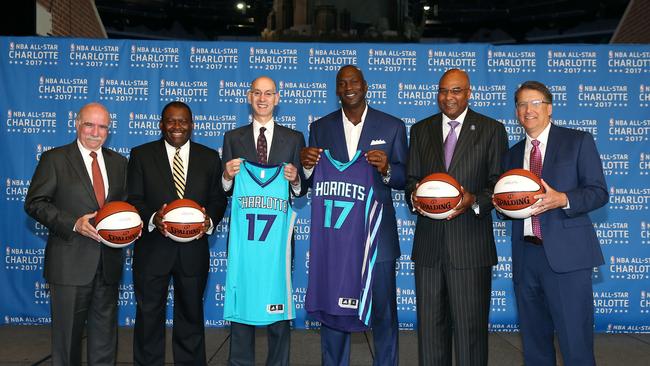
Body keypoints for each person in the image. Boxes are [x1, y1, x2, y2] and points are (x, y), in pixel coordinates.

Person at [301, 65, 408, 366]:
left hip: (378, 239)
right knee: (334, 313)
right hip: (336, 238)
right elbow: (312, 181)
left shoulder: (392, 126)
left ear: (365, 86)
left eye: (354, 82)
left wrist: (387, 169)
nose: (349, 87)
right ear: (336, 90)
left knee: (384, 313)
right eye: (342, 83)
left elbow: (405, 177)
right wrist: (307, 167)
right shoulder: (320, 128)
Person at [405, 68, 508, 365]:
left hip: (470, 248)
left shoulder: (491, 129)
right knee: (430, 333)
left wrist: (473, 200)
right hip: (428, 248)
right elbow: (412, 180)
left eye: (456, 91)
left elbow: (498, 186)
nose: (448, 97)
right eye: (443, 91)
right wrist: (415, 197)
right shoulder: (421, 130)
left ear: (469, 92)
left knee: (470, 334)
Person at [500, 81, 607, 365]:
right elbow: (506, 206)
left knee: (575, 344)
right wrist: (500, 205)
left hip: (567, 259)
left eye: (535, 103)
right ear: (516, 112)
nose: (528, 110)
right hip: (526, 256)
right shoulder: (511, 154)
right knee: (534, 346)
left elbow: (598, 192)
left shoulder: (577, 141)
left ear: (549, 108)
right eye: (522, 104)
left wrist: (563, 199)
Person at [24, 102, 128, 365]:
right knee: (67, 342)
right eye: (89, 124)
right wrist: (73, 223)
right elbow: (35, 203)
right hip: (69, 265)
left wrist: (131, 226)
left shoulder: (119, 162)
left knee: (105, 341)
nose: (95, 132)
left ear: (109, 130)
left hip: (109, 263)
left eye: (102, 126)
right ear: (76, 124)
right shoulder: (55, 159)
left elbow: (125, 207)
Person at [128, 101, 227, 366]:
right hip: (152, 249)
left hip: (193, 251)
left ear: (192, 125)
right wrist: (152, 218)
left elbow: (218, 200)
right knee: (149, 317)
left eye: (183, 121)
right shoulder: (141, 154)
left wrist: (208, 222)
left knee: (191, 317)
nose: (177, 127)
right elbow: (134, 197)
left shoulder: (209, 157)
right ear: (161, 124)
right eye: (170, 121)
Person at [221, 76, 307, 366]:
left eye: (268, 93)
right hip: (245, 240)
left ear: (277, 98)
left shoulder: (294, 138)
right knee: (243, 302)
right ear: (249, 96)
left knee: (278, 307)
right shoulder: (233, 138)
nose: (262, 98)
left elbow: (302, 190)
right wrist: (227, 176)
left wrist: (296, 180)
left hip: (278, 241)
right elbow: (226, 191)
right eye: (257, 92)